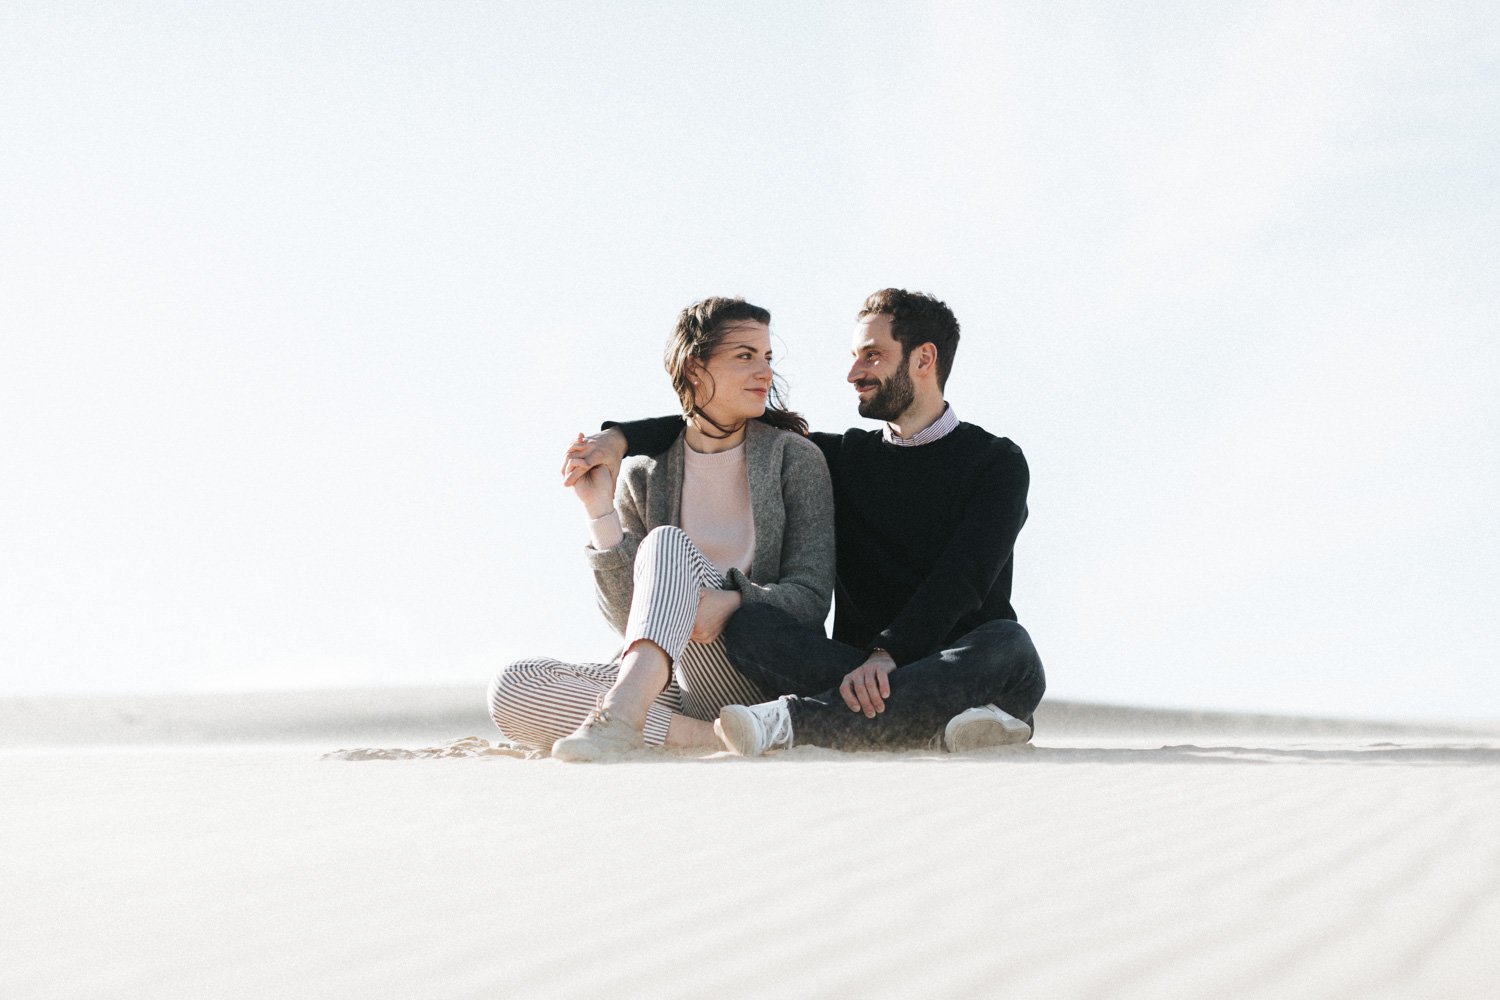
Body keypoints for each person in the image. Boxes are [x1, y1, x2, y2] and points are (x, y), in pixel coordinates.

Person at [564, 289, 1044, 755]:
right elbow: (718, 417)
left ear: (924, 360)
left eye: (872, 356)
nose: (854, 372)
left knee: (1010, 645)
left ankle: (793, 722)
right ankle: (938, 722)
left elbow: (963, 579)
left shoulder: (996, 462)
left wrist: (888, 655)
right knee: (751, 624)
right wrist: (621, 438)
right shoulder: (837, 457)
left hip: (960, 662)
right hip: (850, 673)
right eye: (855, 356)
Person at [486, 297, 834, 761]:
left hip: (750, 665)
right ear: (695, 369)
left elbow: (811, 600)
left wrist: (732, 602)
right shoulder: (645, 475)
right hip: (674, 681)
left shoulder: (794, 459)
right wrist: (600, 512)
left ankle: (624, 716)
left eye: (767, 358)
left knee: (666, 542)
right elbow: (628, 619)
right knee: (513, 685)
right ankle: (710, 736)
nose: (765, 372)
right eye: (745, 356)